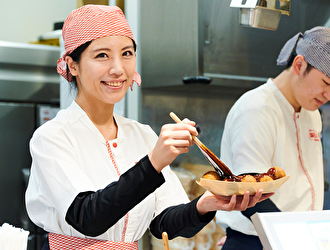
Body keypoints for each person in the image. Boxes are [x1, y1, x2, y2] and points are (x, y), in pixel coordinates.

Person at [25, 5, 272, 250]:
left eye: (127, 53)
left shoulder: (141, 134)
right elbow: (88, 217)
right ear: (72, 65)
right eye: (102, 55)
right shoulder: (52, 137)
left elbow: (164, 223)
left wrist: (206, 204)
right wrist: (153, 162)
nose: (118, 69)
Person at [216, 26, 330, 250]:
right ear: (299, 65)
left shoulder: (312, 114)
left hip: (301, 240)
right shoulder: (257, 109)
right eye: (326, 83)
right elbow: (250, 194)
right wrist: (291, 238)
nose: (328, 95)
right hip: (261, 241)